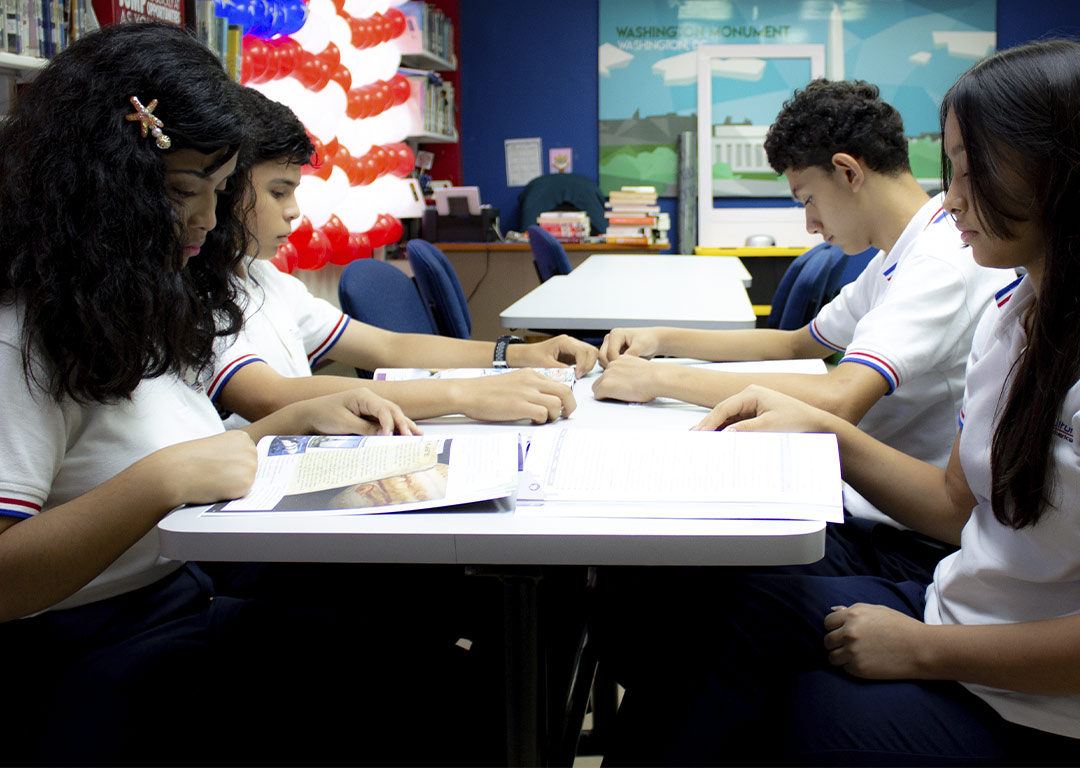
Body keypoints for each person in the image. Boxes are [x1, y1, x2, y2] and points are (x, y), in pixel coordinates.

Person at [0, 23, 481, 766]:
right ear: (96, 186)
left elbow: (185, 453)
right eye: (182, 192)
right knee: (432, 691)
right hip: (96, 643)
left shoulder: (125, 297)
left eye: (220, 193)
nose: (203, 220)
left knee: (431, 618)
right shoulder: (22, 334)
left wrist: (280, 428)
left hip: (179, 594)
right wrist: (160, 483)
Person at [604, 39, 1080, 766]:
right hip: (960, 594)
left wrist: (924, 650)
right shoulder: (1011, 312)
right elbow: (807, 349)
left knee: (780, 691)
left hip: (994, 651)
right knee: (701, 609)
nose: (951, 199)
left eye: (968, 170)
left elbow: (835, 392)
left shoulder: (949, 269)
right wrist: (670, 345)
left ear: (1055, 171)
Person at [593, 79, 1010, 538]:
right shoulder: (900, 252)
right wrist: (661, 339)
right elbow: (797, 344)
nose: (810, 224)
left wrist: (660, 379)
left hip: (897, 529)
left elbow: (838, 399)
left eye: (808, 199)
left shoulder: (939, 262)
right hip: (862, 500)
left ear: (849, 172)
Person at [207, 85, 598, 429]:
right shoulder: (202, 295)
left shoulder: (265, 279)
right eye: (278, 192)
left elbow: (388, 349)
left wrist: (517, 353)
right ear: (225, 189)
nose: (294, 210)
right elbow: (269, 397)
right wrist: (466, 395)